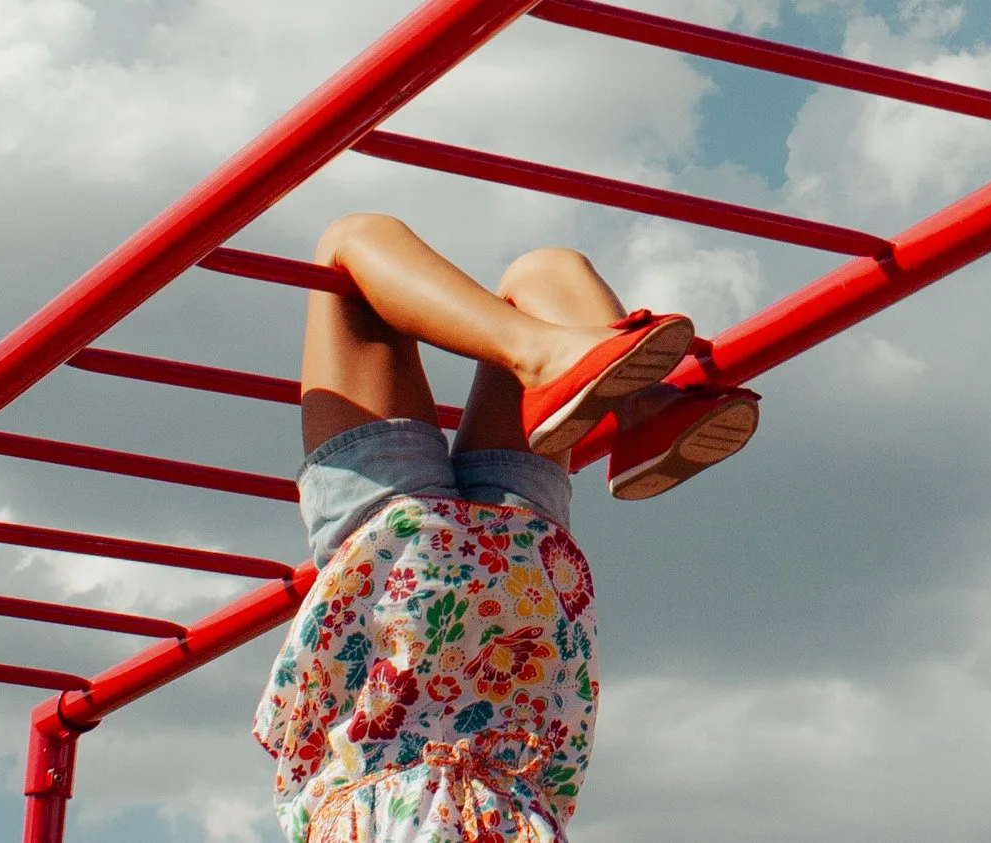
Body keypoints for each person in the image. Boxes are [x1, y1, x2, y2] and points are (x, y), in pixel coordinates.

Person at [254, 212, 760, 842]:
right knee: (348, 244)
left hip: (526, 599)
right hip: (398, 593)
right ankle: (563, 365)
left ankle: (636, 406)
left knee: (541, 273)